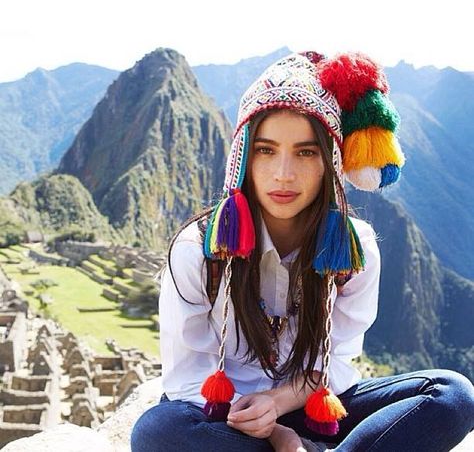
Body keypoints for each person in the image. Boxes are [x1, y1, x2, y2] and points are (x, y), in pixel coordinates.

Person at [131, 51, 474, 451]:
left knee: (451, 395)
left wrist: (279, 404)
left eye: (306, 152)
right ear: (242, 157)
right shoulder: (200, 250)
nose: (284, 173)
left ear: (329, 161)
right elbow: (186, 380)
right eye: (266, 150)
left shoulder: (353, 249)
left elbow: (339, 362)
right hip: (228, 420)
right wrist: (275, 433)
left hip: (310, 406)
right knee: (158, 431)